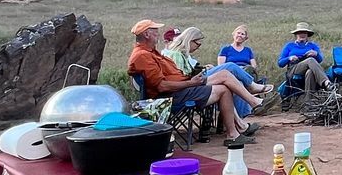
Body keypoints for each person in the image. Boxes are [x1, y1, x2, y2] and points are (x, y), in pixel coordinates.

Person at [126, 19, 266, 140]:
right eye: (155, 31)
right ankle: (248, 109)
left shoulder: (151, 52)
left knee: (224, 81)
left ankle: (235, 132)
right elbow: (162, 87)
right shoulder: (142, 56)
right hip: (171, 96)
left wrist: (190, 80)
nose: (158, 34)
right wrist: (190, 82)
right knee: (225, 74)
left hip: (182, 87)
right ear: (147, 34)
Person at [277, 24, 330, 92]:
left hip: (310, 68)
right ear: (296, 34)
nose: (302, 34)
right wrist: (289, 58)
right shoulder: (289, 45)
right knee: (310, 60)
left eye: (304, 32)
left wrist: (316, 54)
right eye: (300, 32)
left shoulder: (313, 46)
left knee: (310, 72)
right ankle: (326, 82)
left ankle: (308, 99)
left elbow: (320, 60)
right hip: (294, 68)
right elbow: (280, 63)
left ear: (307, 34)